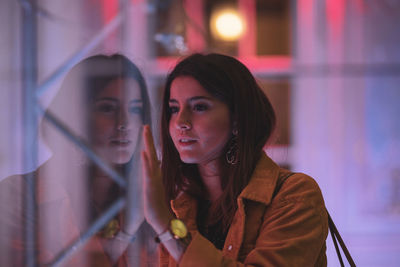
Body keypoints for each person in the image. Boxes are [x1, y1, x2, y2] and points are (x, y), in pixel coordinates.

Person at [141, 53, 328, 266]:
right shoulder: (176, 200)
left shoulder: (294, 195)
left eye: (199, 107)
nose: (180, 122)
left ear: (238, 117)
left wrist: (167, 227)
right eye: (174, 108)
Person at [0, 54, 156, 266]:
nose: (125, 123)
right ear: (75, 115)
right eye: (107, 108)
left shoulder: (155, 194)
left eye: (135, 109)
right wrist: (125, 233)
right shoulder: (19, 194)